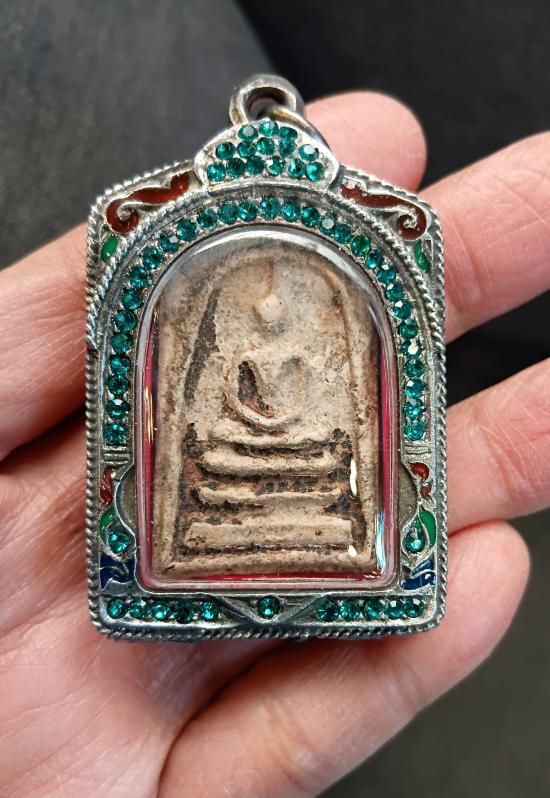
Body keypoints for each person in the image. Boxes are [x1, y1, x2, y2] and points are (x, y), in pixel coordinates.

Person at [0, 90, 548, 798]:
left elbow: (325, 412)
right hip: (221, 477)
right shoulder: (215, 337)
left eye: (288, 309)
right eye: (251, 310)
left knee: (321, 458)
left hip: (314, 475)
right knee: (215, 457)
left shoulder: (321, 340)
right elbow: (211, 403)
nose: (269, 316)